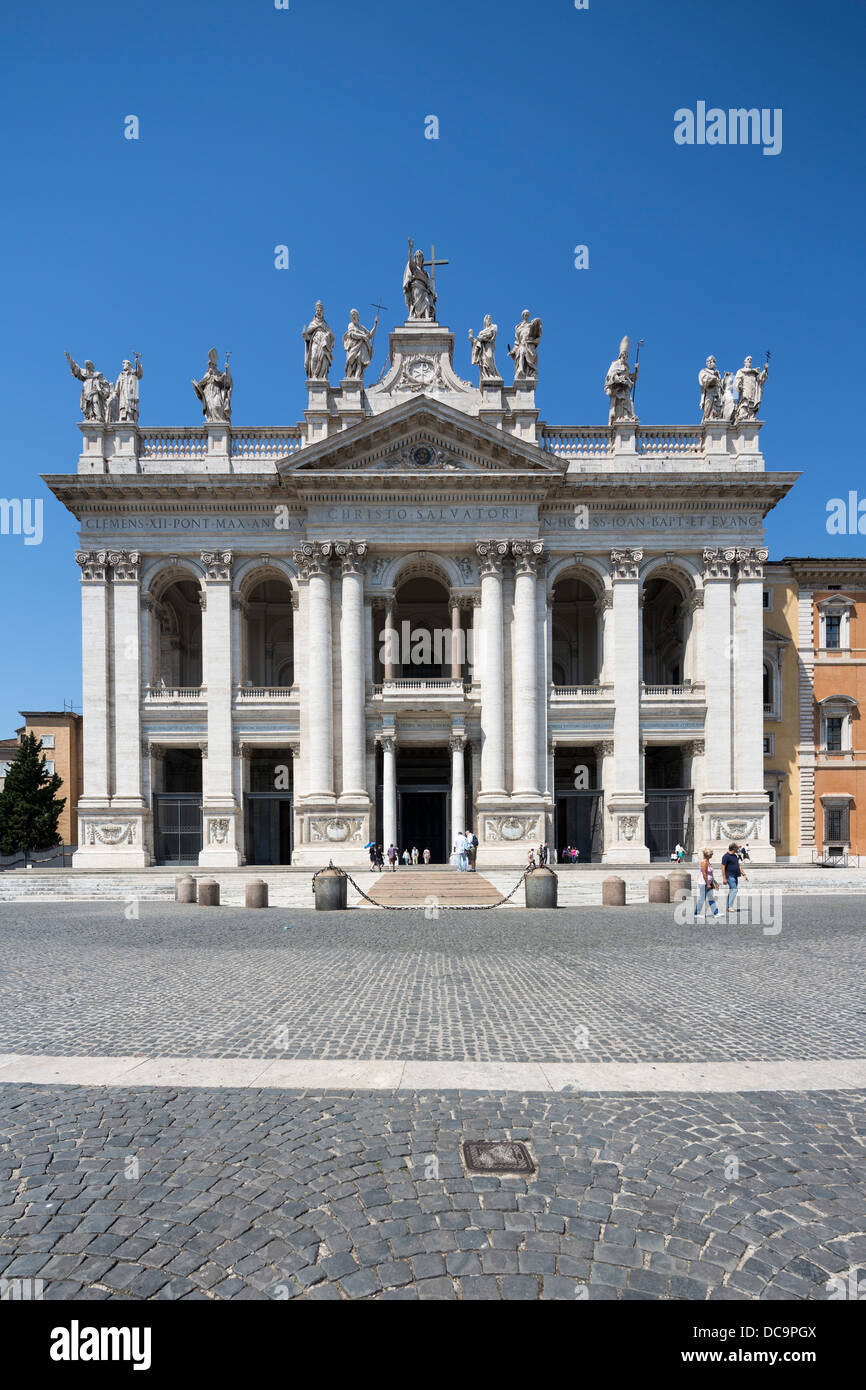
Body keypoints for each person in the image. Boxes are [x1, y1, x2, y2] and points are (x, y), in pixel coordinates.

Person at [722, 842, 748, 915]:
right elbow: (723, 867)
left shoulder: (735, 856)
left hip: (735, 875)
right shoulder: (726, 856)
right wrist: (724, 878)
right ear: (734, 848)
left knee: (732, 890)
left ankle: (728, 907)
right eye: (737, 848)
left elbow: (738, 866)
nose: (738, 849)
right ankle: (730, 906)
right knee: (734, 890)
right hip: (729, 876)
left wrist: (744, 874)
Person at [695, 849, 719, 919]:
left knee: (711, 898)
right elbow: (704, 873)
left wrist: (714, 882)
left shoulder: (708, 862)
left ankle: (715, 913)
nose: (712, 855)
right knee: (702, 898)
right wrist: (708, 884)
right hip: (704, 883)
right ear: (708, 855)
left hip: (709, 882)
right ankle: (696, 913)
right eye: (711, 854)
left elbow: (711, 873)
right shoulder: (704, 862)